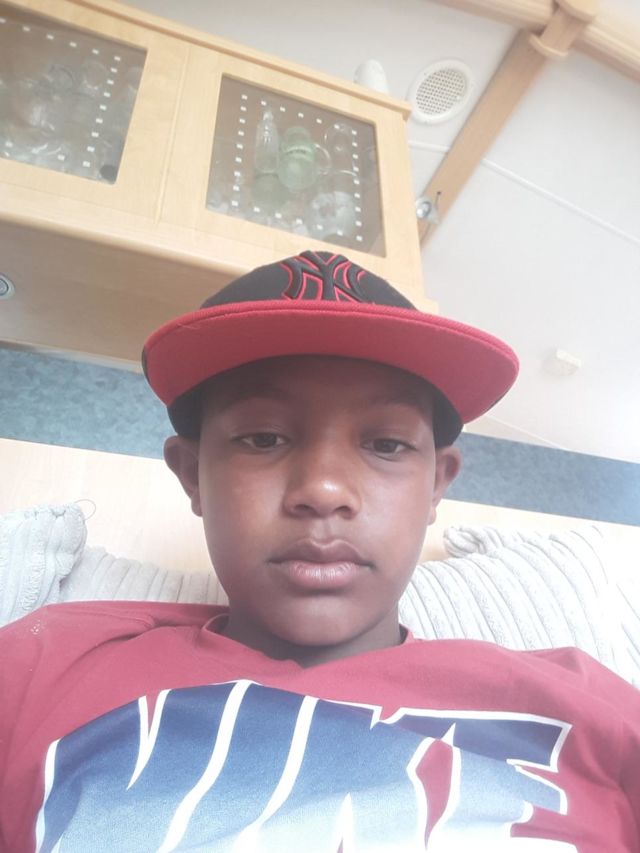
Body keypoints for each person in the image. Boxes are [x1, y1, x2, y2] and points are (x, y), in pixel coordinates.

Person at [0, 250, 638, 852]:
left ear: (437, 485)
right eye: (263, 437)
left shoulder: (588, 702)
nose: (325, 490)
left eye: (386, 445)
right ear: (193, 475)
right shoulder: (43, 664)